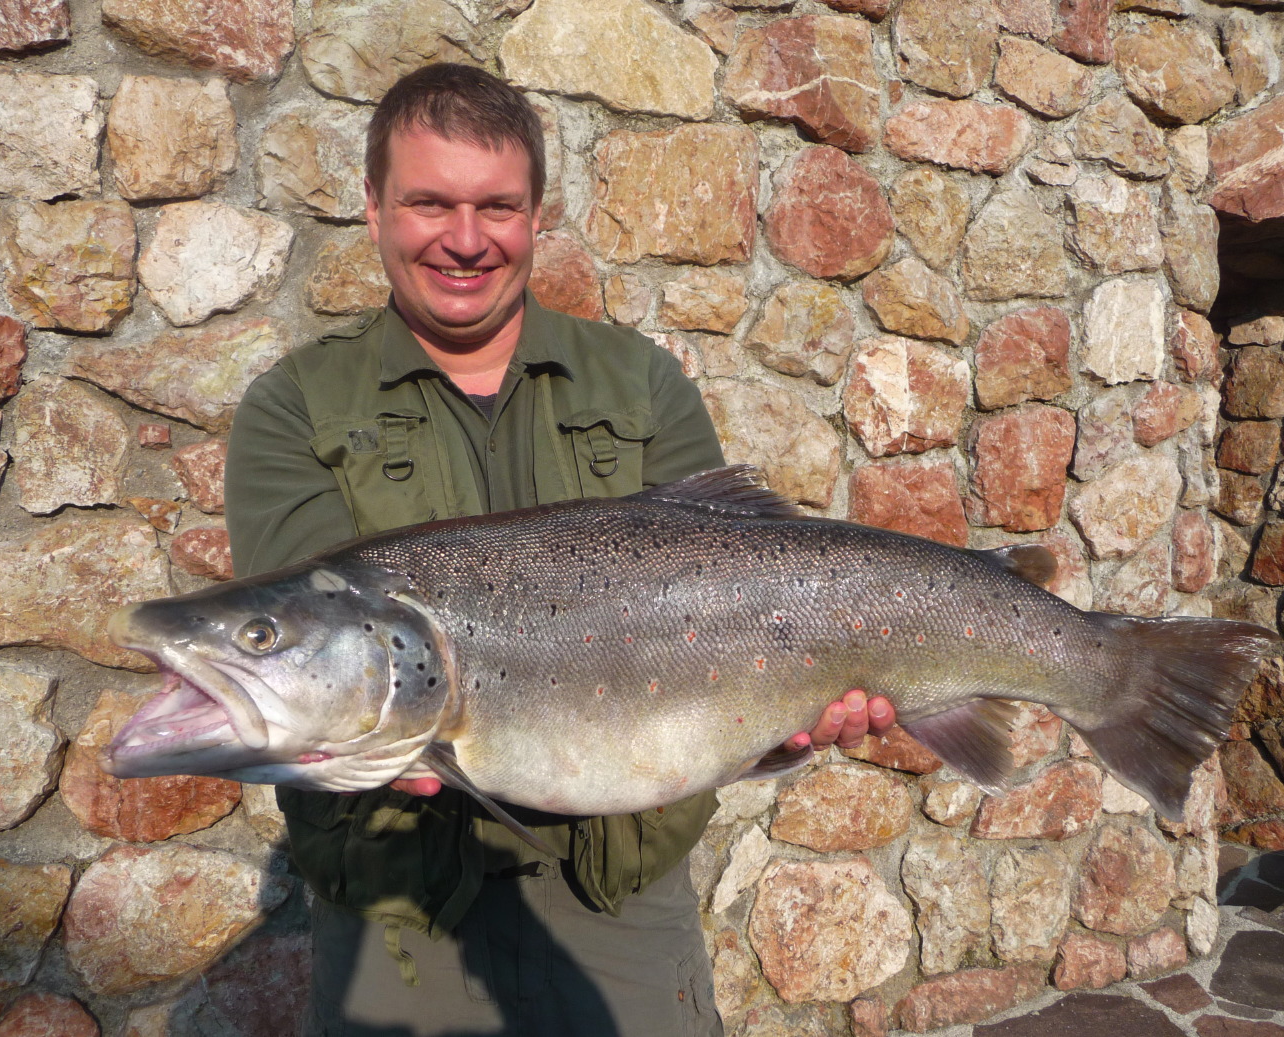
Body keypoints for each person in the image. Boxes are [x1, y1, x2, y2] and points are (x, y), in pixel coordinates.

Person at [224, 62, 895, 1037]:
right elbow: (318, 658)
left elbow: (733, 593)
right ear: (373, 209)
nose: (465, 238)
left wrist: (780, 708)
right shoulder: (294, 409)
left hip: (618, 894)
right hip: (396, 901)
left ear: (537, 216)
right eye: (429, 202)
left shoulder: (641, 381)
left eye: (497, 205)